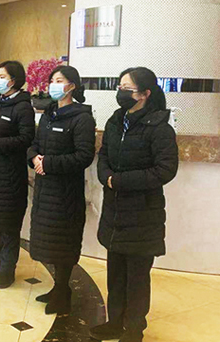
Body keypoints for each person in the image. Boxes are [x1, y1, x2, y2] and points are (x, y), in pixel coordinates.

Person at [89, 67, 179, 342]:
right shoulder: (116, 121)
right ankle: (115, 322)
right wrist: (106, 176)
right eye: (119, 87)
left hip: (143, 214)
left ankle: (134, 329)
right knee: (115, 274)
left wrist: (120, 181)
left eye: (126, 88)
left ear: (144, 94)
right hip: (115, 212)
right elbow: (103, 155)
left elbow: (165, 170)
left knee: (137, 278)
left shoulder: (159, 127)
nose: (120, 92)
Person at [27, 66, 96, 315]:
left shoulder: (82, 118)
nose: (53, 85)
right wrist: (34, 158)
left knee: (63, 243)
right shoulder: (49, 114)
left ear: (72, 86)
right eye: (52, 81)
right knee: (48, 241)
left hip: (66, 192)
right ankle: (58, 288)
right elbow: (34, 144)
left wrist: (49, 163)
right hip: (45, 190)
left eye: (59, 81)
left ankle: (63, 291)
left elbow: (84, 156)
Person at [0, 61, 35, 289]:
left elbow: (26, 138)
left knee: (9, 223)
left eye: (3, 76)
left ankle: (7, 269)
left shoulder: (23, 107)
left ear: (14, 80)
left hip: (10, 174)